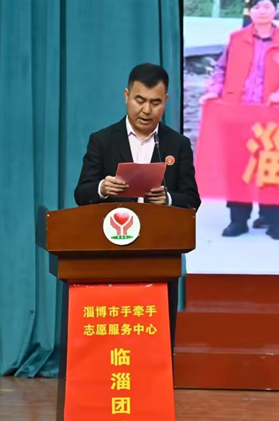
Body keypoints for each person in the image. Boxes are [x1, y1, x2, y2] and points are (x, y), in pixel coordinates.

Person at [74, 63, 201, 350]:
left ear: (165, 101)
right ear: (126, 96)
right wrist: (102, 188)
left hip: (159, 254)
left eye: (155, 103)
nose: (146, 110)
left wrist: (168, 199)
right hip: (111, 255)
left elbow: (192, 198)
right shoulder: (102, 140)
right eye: (139, 100)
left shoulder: (177, 145)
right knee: (116, 334)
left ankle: (156, 375)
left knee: (155, 337)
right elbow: (81, 193)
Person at [200, 0, 279, 240]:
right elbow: (221, 69)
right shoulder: (237, 38)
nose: (262, 11)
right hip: (238, 112)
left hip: (271, 114)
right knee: (237, 167)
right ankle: (238, 220)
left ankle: (275, 220)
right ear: (250, 11)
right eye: (257, 7)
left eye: (267, 6)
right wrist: (214, 90)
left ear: (275, 10)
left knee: (272, 165)